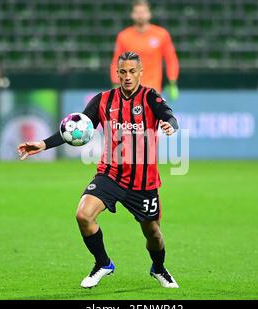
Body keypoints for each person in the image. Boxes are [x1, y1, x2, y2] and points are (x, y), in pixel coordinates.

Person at [18, 51, 179, 289]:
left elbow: (169, 115)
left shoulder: (150, 97)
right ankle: (103, 263)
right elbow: (75, 127)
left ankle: (159, 268)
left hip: (143, 182)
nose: (127, 76)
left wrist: (169, 125)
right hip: (110, 174)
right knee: (83, 214)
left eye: (132, 71)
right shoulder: (103, 100)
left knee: (153, 233)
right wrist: (43, 144)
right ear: (116, 73)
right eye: (122, 71)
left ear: (140, 72)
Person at [110, 0, 180, 101]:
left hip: (153, 91)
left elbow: (171, 59)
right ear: (132, 15)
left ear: (149, 14)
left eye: (143, 12)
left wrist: (172, 81)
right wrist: (115, 82)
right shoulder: (124, 36)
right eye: (137, 12)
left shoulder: (161, 35)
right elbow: (116, 61)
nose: (140, 15)